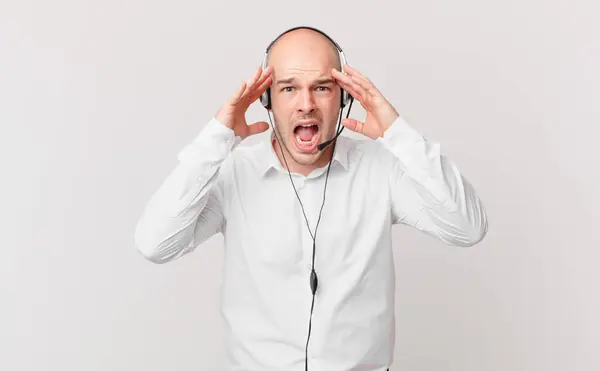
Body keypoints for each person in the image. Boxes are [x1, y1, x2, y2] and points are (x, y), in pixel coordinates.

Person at [134, 26, 488, 371]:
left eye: (322, 87)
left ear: (344, 97)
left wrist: (397, 133)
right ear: (266, 99)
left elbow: (467, 228)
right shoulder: (232, 173)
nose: (306, 105)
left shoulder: (382, 169)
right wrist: (218, 136)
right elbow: (155, 244)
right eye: (289, 89)